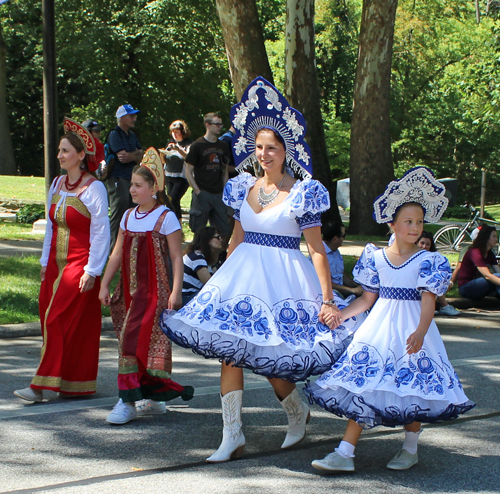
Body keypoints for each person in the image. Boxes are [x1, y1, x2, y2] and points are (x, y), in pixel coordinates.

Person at [161, 77, 365, 463]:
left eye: (272, 148)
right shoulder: (242, 187)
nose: (265, 154)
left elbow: (318, 251)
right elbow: (237, 238)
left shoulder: (303, 192)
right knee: (230, 353)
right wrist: (219, 279)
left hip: (285, 282)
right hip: (242, 279)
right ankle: (232, 436)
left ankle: (296, 411)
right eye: (259, 147)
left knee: (274, 364)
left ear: (287, 151)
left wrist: (326, 300)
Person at [306, 167, 475, 473]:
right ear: (392, 223)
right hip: (379, 328)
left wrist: (422, 331)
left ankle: (410, 449)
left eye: (420, 222)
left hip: (412, 330)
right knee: (366, 382)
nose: (415, 227)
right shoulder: (375, 257)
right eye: (408, 221)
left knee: (411, 387)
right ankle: (345, 452)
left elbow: (428, 301)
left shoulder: (428, 260)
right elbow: (367, 299)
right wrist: (341, 314)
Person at [14, 118, 110, 402]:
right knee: (50, 320)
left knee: (57, 320)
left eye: (65, 151)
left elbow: (102, 233)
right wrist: (45, 263)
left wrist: (93, 271)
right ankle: (73, 383)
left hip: (80, 265)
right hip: (55, 266)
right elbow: (51, 228)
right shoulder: (57, 184)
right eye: (59, 150)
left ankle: (39, 386)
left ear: (81, 156)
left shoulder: (94, 188)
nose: (60, 155)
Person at [99, 148, 194, 425]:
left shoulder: (166, 217)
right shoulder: (128, 216)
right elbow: (117, 253)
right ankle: (153, 396)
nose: (132, 190)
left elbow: (177, 257)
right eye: (131, 184)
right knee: (137, 343)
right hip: (130, 292)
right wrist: (105, 283)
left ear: (154, 188)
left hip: (155, 292)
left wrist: (176, 292)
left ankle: (127, 401)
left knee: (131, 341)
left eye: (138, 185)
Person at [185, 112, 232, 252]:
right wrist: (198, 191)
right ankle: (195, 259)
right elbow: (188, 171)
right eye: (217, 124)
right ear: (208, 125)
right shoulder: (197, 146)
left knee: (223, 229)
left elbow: (224, 170)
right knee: (199, 231)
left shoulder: (223, 146)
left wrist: (225, 190)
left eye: (221, 124)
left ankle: (218, 259)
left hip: (218, 193)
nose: (220, 127)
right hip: (202, 193)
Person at [107, 104, 143, 251]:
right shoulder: (114, 134)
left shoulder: (131, 135)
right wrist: (135, 154)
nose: (134, 118)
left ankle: (129, 249)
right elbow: (123, 158)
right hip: (118, 179)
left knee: (132, 212)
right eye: (131, 116)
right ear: (121, 118)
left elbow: (141, 154)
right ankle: (112, 250)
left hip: (130, 179)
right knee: (118, 213)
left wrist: (134, 155)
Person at [417, 231, 460, 315]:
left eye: (428, 244)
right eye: (422, 243)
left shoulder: (433, 257)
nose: (424, 247)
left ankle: (442, 306)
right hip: (415, 282)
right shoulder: (411, 255)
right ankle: (441, 306)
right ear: (417, 242)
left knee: (435, 279)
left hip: (427, 282)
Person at [320, 221, 363, 299]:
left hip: (342, 292)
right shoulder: (320, 255)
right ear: (335, 239)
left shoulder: (335, 251)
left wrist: (356, 286)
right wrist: (351, 290)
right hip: (329, 294)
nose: (344, 239)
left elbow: (341, 274)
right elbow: (325, 283)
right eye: (344, 236)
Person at [159, 120, 192, 220]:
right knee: (168, 201)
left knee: (174, 200)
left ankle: (178, 224)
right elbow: (165, 161)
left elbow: (188, 157)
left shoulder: (189, 143)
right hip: (169, 176)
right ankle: (171, 224)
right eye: (173, 132)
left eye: (177, 131)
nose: (174, 134)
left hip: (181, 177)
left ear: (183, 132)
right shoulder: (170, 143)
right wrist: (162, 154)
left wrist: (178, 149)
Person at [182, 226, 222, 306]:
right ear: (208, 240)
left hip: (193, 295)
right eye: (217, 237)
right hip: (187, 297)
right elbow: (210, 283)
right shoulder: (197, 257)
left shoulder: (205, 258)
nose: (221, 240)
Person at [458, 225, 500, 300]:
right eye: (494, 236)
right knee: (497, 276)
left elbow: (498, 271)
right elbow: (487, 275)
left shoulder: (490, 253)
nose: (496, 239)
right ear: (486, 238)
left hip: (479, 286)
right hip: (465, 288)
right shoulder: (475, 252)